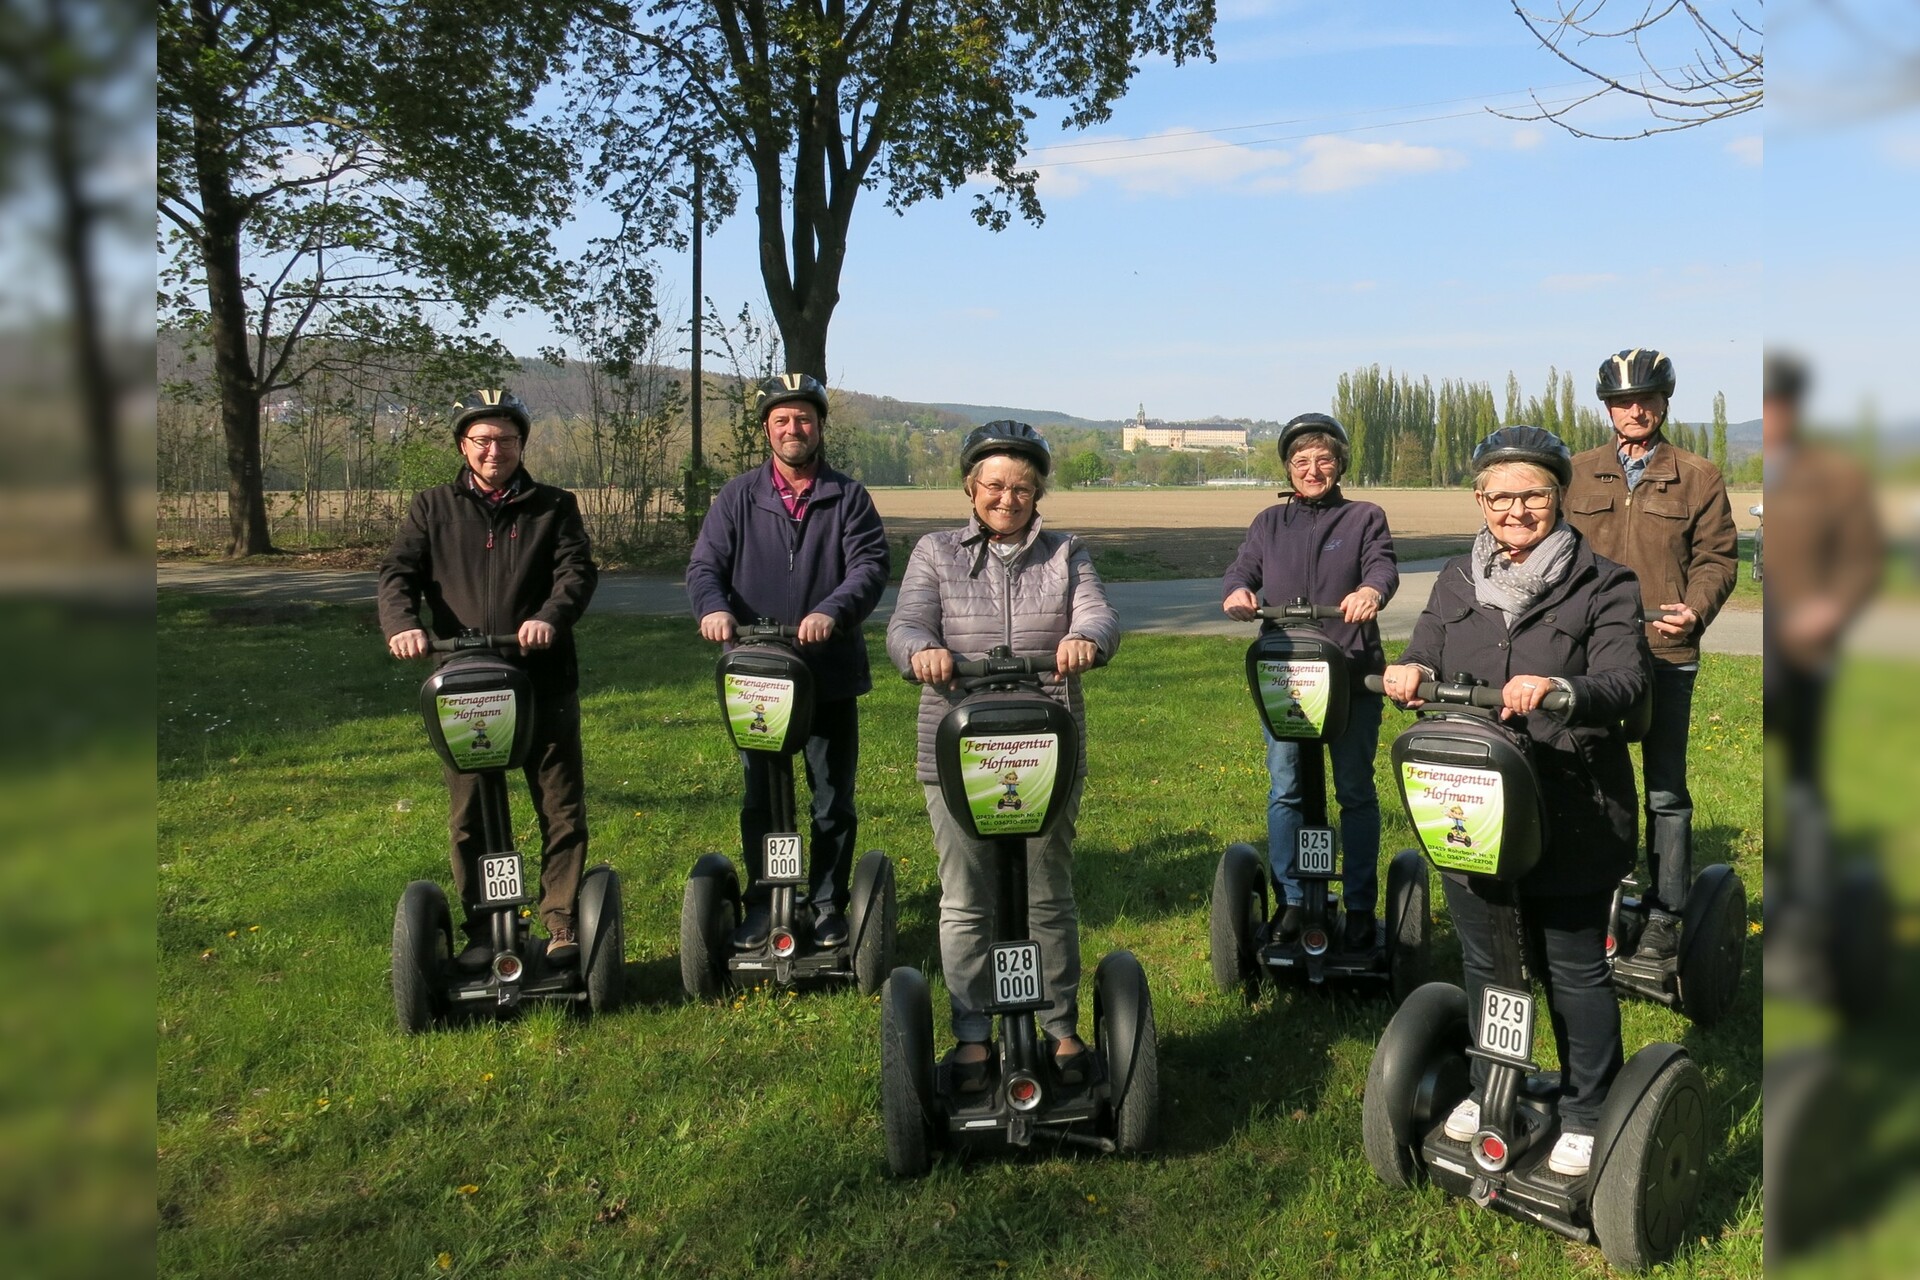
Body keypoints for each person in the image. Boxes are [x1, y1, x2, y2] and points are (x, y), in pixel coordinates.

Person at [1381, 425, 1650, 1178]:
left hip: (1572, 805)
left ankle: (1588, 1108)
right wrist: (1407, 671)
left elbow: (1626, 682)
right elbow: (1427, 647)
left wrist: (1560, 690)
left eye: (1532, 493)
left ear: (1558, 496)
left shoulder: (1605, 583)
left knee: (1571, 967)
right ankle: (1492, 1079)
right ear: (1479, 500)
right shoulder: (1456, 580)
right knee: (1489, 957)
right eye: (1499, 496)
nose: (1515, 509)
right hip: (1472, 803)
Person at [885, 421, 1120, 1090]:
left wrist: (1086, 639)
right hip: (956, 749)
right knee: (966, 899)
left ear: (1039, 491)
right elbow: (906, 625)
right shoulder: (935, 552)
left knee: (1046, 894)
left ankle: (1059, 1026)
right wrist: (919, 652)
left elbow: (1098, 613)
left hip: (1045, 746)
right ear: (970, 487)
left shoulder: (1066, 553)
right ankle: (971, 1034)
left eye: (1022, 486)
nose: (1007, 497)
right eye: (994, 485)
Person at [378, 390, 599, 967]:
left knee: (559, 806)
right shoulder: (432, 507)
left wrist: (549, 619)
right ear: (463, 446)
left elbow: (575, 573)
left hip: (543, 678)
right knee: (470, 811)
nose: (493, 450)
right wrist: (404, 625)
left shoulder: (553, 506)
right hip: (464, 682)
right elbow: (399, 573)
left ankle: (559, 922)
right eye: (482, 440)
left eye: (505, 439)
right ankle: (486, 926)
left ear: (521, 444)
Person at [686, 373, 890, 950]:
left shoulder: (847, 497)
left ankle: (825, 902)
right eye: (781, 420)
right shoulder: (737, 497)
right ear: (767, 430)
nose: (792, 428)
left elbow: (870, 567)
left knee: (831, 796)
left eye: (803, 419)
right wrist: (714, 610)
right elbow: (705, 567)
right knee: (763, 794)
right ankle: (770, 897)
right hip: (757, 674)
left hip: (827, 673)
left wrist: (832, 611)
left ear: (819, 427)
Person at [1563, 348, 1736, 963]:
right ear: (1607, 407)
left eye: (1645, 399)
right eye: (1620, 401)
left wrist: (1696, 606)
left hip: (1665, 651)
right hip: (1588, 656)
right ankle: (1589, 895)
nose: (1633, 411)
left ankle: (1666, 911)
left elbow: (1717, 558)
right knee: (1584, 780)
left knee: (1664, 789)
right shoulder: (1575, 472)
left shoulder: (1697, 474)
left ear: (1663, 403)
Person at [1221, 412, 1398, 949]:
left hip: (1349, 671)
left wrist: (1371, 592)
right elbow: (1241, 570)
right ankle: (1294, 899)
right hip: (1286, 676)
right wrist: (1237, 593)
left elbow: (1383, 567)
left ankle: (1362, 905)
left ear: (1339, 463)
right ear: (1288, 469)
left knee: (1354, 792)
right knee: (1287, 789)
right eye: (1301, 461)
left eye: (1323, 459)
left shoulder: (1364, 517)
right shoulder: (1268, 523)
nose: (1312, 469)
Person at [1758, 351, 1885, 982]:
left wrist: (1830, 610)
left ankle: (1810, 912)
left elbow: (1865, 561)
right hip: (1765, 655)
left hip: (1809, 656)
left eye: (1775, 406)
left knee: (1804, 786)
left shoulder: (1834, 476)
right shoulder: (1763, 477)